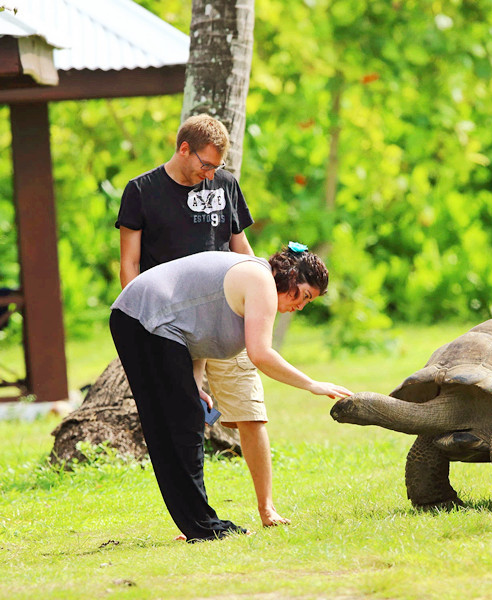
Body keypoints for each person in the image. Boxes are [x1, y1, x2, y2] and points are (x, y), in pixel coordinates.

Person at [109, 245, 352, 542]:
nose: (300, 306)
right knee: (179, 428)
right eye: (303, 296)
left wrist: (194, 385)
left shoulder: (254, 282)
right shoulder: (261, 280)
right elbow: (260, 354)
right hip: (144, 317)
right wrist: (312, 384)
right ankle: (202, 525)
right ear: (290, 276)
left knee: (183, 423)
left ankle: (196, 523)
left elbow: (195, 333)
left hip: (140, 319)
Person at [116, 114, 288, 528]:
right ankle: (198, 516)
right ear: (183, 149)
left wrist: (264, 292)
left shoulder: (223, 184)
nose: (209, 174)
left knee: (250, 411)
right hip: (173, 324)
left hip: (230, 315)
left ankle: (267, 509)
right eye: (204, 165)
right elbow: (130, 265)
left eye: (215, 167)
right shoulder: (141, 191)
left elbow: (240, 245)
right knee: (187, 418)